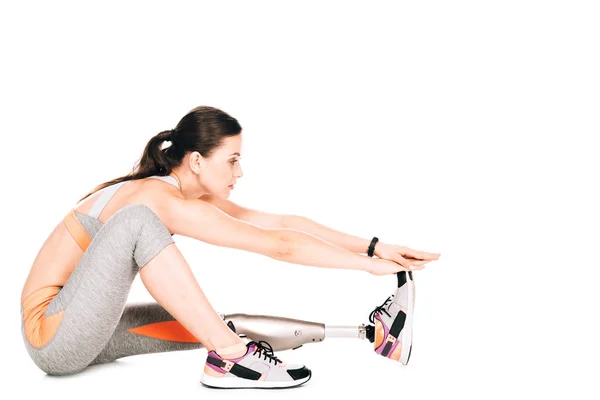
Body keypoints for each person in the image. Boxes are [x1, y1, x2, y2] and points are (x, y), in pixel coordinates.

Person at [19, 105, 441, 389]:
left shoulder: (178, 194)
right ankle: (230, 359)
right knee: (139, 224)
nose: (240, 170)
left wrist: (373, 248)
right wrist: (365, 268)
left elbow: (278, 223)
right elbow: (278, 246)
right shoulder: (154, 198)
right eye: (233, 159)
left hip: (93, 334)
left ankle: (373, 333)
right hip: (53, 336)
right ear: (197, 161)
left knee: (221, 325)